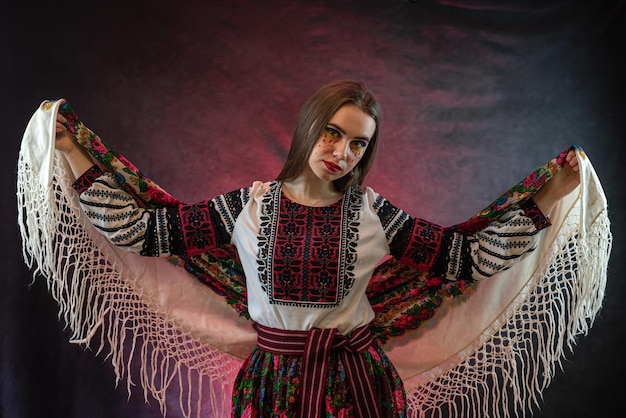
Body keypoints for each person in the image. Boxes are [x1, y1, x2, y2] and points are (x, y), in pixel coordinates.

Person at [50, 80, 582, 418]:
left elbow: (462, 259)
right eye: (332, 133)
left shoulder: (374, 213)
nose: (341, 153)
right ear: (309, 129)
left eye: (358, 144)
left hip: (360, 386)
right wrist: (73, 151)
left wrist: (551, 196)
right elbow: (145, 232)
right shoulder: (247, 207)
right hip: (271, 388)